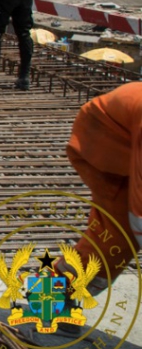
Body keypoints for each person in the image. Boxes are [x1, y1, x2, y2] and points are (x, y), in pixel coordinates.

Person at [54, 81, 142, 292]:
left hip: (126, 129)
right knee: (115, 237)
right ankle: (49, 297)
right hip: (104, 141)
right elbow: (139, 213)